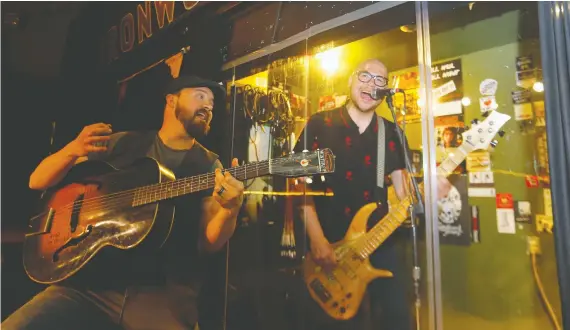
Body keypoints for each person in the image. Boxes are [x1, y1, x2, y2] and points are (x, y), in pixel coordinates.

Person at [3, 76, 244, 330]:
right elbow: (37, 180)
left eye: (212, 102)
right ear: (171, 101)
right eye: (200, 96)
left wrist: (231, 209)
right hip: (92, 285)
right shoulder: (124, 143)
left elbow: (207, 241)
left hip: (160, 295)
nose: (208, 106)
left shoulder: (208, 166)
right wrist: (73, 149)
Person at [292, 59, 451, 330]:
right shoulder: (321, 124)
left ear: (385, 91)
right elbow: (298, 184)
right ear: (351, 80)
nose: (371, 85)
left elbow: (403, 193)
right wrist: (317, 240)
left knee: (397, 319)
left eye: (380, 81)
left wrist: (427, 195)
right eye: (365, 76)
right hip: (330, 243)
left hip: (379, 243)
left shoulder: (392, 133)